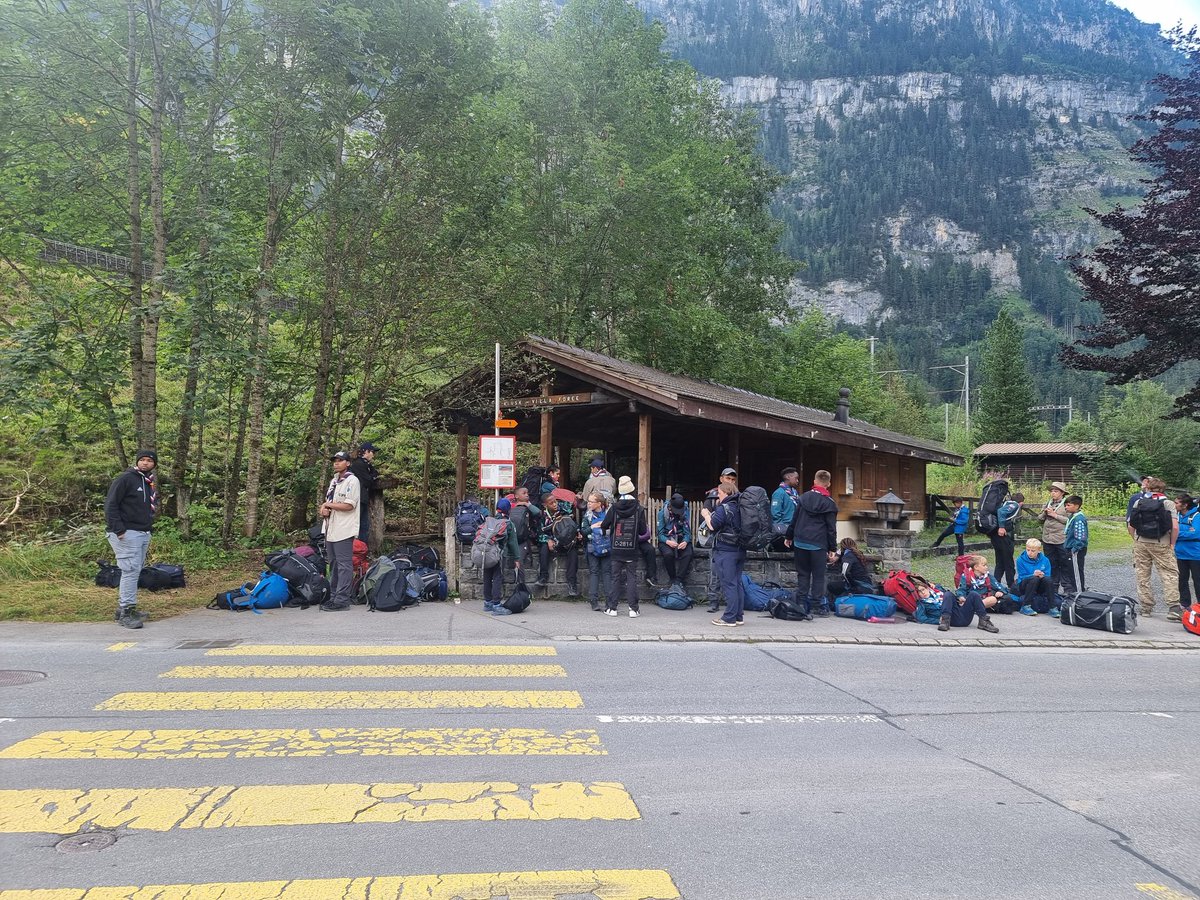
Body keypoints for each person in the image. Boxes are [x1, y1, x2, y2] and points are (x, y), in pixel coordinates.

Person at [104, 449, 160, 629]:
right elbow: (111, 504)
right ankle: (126, 612)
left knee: (134, 570)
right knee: (129, 570)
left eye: (149, 461)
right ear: (137, 462)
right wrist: (119, 529)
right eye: (142, 460)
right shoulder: (125, 479)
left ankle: (124, 609)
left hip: (142, 532)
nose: (145, 463)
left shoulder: (147, 481)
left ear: (154, 464)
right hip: (127, 532)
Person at [785, 469, 839, 616]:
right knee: (818, 576)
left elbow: (794, 519)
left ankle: (801, 603)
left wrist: (788, 536)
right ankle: (816, 606)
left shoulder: (803, 498)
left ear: (814, 482)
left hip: (800, 542)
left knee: (803, 574)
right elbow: (831, 529)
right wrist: (832, 547)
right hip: (818, 544)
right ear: (828, 484)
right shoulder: (830, 504)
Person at [1129, 477, 1180, 620]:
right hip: (1161, 542)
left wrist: (1136, 540)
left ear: (1148, 488)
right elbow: (1175, 527)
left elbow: (1131, 525)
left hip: (1141, 542)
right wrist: (1172, 543)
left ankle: (1146, 608)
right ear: (1163, 489)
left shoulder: (1139, 502)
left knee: (1142, 574)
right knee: (1169, 573)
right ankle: (1173, 608)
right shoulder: (1168, 503)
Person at [318, 450, 361, 611]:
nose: (336, 463)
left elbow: (349, 505)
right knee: (334, 563)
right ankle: (334, 596)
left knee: (344, 564)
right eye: (335, 460)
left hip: (344, 528)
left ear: (348, 463)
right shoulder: (334, 481)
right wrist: (324, 507)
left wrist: (328, 505)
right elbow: (331, 501)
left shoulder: (352, 481)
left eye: (340, 460)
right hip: (330, 527)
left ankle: (343, 599)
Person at [601, 476, 647, 617]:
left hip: (616, 548)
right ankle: (633, 609)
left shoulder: (614, 508)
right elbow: (643, 531)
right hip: (632, 549)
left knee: (615, 578)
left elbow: (604, 525)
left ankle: (612, 608)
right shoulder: (639, 508)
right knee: (631, 578)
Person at [703, 482, 745, 626]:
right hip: (739, 549)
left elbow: (713, 525)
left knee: (729, 584)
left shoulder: (725, 508)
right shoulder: (740, 506)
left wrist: (706, 515)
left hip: (726, 550)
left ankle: (729, 618)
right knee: (737, 583)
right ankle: (738, 616)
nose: (718, 498)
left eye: (719, 494)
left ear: (726, 493)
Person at [701, 467, 739, 611]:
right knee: (715, 572)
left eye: (733, 479)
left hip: (733, 542)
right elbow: (705, 517)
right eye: (728, 478)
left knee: (733, 576)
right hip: (717, 540)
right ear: (721, 479)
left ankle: (733, 607)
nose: (730, 481)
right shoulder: (712, 496)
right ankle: (713, 600)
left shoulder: (738, 497)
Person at [483, 498, 522, 615]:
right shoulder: (508, 524)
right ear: (509, 509)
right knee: (497, 578)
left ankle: (487, 602)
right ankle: (496, 605)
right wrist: (517, 558)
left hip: (486, 552)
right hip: (499, 555)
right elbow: (512, 543)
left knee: (487, 577)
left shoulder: (489, 521)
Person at [536, 490, 579, 596]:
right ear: (544, 505)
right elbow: (539, 533)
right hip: (553, 541)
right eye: (551, 503)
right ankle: (543, 577)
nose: (555, 504)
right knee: (543, 549)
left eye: (555, 501)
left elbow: (572, 524)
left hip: (567, 539)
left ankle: (572, 584)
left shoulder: (563, 508)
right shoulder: (542, 516)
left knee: (573, 552)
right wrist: (547, 540)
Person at [1039, 482, 1072, 599]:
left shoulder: (1067, 504)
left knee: (1064, 564)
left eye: (1056, 491)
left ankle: (1068, 589)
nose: (1053, 493)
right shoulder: (1048, 502)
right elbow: (1039, 519)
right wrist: (1044, 512)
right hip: (1048, 539)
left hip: (1061, 539)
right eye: (1052, 491)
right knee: (1051, 564)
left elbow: (1070, 520)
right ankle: (1053, 589)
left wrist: (1055, 515)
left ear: (1062, 493)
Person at [582, 492, 612, 612]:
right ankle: (593, 600)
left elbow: (614, 528)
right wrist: (593, 527)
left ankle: (609, 601)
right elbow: (583, 531)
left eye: (591, 501)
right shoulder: (587, 515)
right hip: (592, 547)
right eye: (588, 501)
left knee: (607, 572)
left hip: (607, 547)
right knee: (594, 572)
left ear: (599, 503)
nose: (588, 503)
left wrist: (605, 527)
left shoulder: (608, 514)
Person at [957, 555, 1010, 620]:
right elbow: (961, 590)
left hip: (985, 599)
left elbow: (999, 586)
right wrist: (961, 597)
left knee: (996, 599)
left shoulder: (987, 576)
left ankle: (973, 609)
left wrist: (1000, 591)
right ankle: (973, 608)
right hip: (971, 600)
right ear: (976, 567)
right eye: (984, 565)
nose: (986, 567)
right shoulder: (966, 576)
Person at [657, 493, 694, 585]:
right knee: (668, 554)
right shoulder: (662, 513)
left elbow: (687, 531)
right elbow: (660, 534)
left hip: (680, 537)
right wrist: (667, 541)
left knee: (688, 553)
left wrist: (685, 541)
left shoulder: (685, 511)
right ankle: (672, 578)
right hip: (666, 538)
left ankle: (679, 580)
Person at [507, 486, 541, 584]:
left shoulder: (528, 507)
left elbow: (538, 512)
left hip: (523, 540)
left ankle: (520, 585)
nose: (527, 495)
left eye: (527, 493)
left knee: (520, 561)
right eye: (524, 493)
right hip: (511, 539)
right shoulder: (511, 506)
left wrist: (527, 504)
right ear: (516, 496)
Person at [991, 492, 1024, 590]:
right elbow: (1001, 512)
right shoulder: (1014, 505)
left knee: (1000, 560)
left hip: (996, 536)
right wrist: (1002, 527)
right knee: (1008, 560)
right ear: (1021, 502)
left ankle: (996, 583)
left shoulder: (1005, 502)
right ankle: (1011, 584)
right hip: (1004, 536)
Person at [348, 441, 379, 541]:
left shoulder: (366, 464)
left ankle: (362, 549)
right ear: (366, 451)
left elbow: (375, 473)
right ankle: (356, 549)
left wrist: (372, 475)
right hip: (357, 498)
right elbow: (368, 481)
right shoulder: (358, 464)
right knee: (358, 525)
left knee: (364, 525)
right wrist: (372, 477)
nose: (373, 455)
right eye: (372, 452)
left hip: (363, 497)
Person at [1015, 538, 1054, 615]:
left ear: (1039, 550)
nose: (1030, 553)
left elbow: (1048, 575)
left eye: (1033, 551)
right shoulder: (1020, 560)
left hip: (1039, 584)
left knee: (1048, 580)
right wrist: (1033, 575)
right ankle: (1025, 606)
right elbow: (1022, 576)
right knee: (1034, 578)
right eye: (1028, 550)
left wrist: (1042, 575)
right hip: (1024, 585)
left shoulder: (1045, 560)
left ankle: (1052, 607)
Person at [1175, 493, 1200, 611]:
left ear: (1185, 505)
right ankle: (1185, 604)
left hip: (1195, 555)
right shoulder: (1176, 516)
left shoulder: (1196, 516)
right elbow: (1170, 531)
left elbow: (1196, 533)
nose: (1174, 505)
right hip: (1180, 554)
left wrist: (1178, 533)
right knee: (1182, 580)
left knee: (1198, 580)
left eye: (1177, 503)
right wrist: (1187, 531)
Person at [1062, 494, 1089, 594]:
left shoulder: (1078, 519)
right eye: (1066, 505)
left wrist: (1075, 549)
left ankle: (1079, 593)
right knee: (1071, 572)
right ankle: (1075, 590)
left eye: (1068, 505)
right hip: (1070, 548)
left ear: (1077, 506)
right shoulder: (1073, 516)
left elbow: (1081, 537)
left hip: (1076, 550)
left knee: (1076, 572)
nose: (1066, 507)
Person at [770, 467, 801, 551]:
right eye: (796, 478)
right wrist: (781, 529)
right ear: (788, 477)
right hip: (784, 532)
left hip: (794, 530)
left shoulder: (794, 493)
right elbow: (775, 513)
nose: (798, 481)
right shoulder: (779, 493)